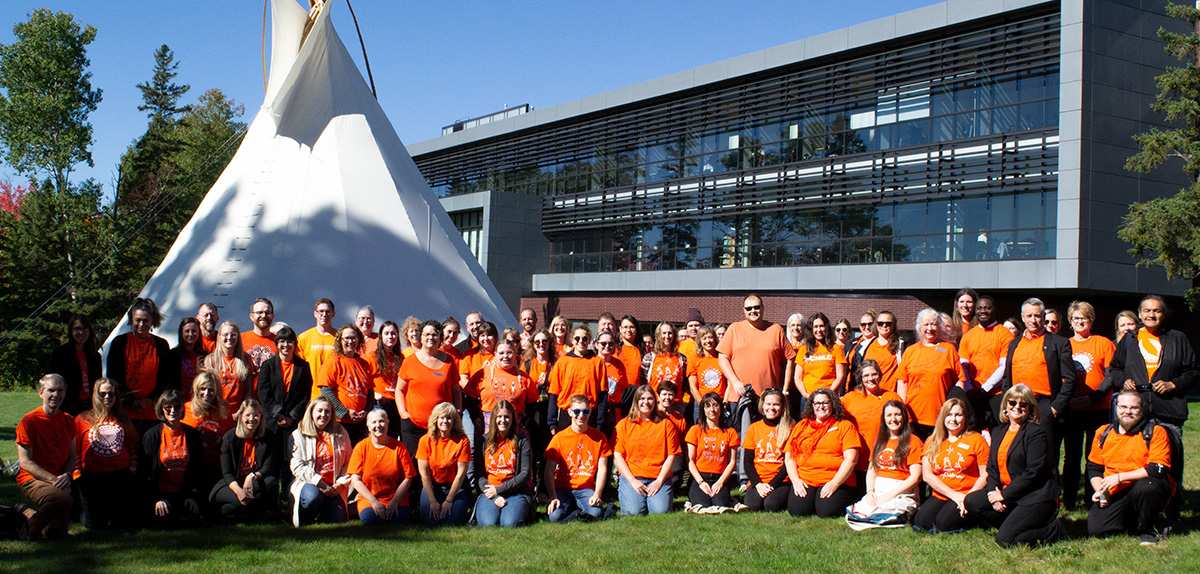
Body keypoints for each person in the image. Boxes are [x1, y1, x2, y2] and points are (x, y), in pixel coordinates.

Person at [1095, 295, 1196, 527]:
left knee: (1169, 465)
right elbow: (1115, 369)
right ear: (1139, 314)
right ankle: (1134, 508)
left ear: (1164, 313)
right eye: (1147, 311)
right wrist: (1125, 380)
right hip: (1135, 413)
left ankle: (1172, 512)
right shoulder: (1130, 340)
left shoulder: (1177, 339)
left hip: (1168, 411)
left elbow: (1193, 371)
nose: (1152, 315)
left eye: (1157, 311)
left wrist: (1174, 384)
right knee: (1132, 462)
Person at [964, 385, 1064, 547]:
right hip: (1009, 494)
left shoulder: (1036, 433)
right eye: (1012, 403)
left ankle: (1055, 529)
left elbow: (1033, 472)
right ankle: (1013, 524)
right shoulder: (998, 431)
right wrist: (992, 493)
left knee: (1005, 540)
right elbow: (992, 469)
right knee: (972, 501)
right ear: (1005, 406)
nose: (1016, 407)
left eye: (1023, 404)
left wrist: (1004, 495)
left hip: (1035, 496)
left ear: (1030, 409)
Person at [717, 294, 796, 485]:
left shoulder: (775, 329)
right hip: (742, 396)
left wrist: (785, 389)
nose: (753, 311)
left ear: (763, 307)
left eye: (756, 307)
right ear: (744, 311)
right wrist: (735, 381)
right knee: (746, 439)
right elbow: (722, 358)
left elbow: (790, 358)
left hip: (769, 399)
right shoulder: (735, 329)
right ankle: (745, 479)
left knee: (771, 440)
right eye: (748, 308)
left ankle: (774, 477)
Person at [1087, 390, 1172, 545]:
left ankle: (1148, 530)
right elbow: (1094, 467)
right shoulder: (1103, 433)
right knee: (1096, 530)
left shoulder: (1155, 432)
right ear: (1116, 407)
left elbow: (1158, 468)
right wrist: (1101, 491)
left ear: (1142, 409)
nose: (1128, 411)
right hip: (1116, 490)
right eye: (1123, 407)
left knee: (1148, 486)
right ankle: (1133, 521)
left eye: (1134, 408)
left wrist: (1120, 478)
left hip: (1145, 486)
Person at [1000, 298, 1076, 459]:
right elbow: (1007, 377)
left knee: (1046, 455)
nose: (1033, 320)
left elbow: (1070, 378)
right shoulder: (1014, 344)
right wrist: (1007, 404)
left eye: (1037, 316)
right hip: (1018, 405)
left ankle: (1049, 485)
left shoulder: (1059, 343)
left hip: (1044, 406)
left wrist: (1055, 408)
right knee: (1019, 453)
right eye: (1029, 316)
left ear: (1043, 316)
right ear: (1022, 317)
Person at [1061, 300, 1117, 509]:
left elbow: (1111, 376)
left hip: (1098, 409)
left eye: (1083, 318)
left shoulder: (1103, 343)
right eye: (1075, 318)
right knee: (1071, 457)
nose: (1079, 322)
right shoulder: (1064, 344)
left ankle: (1092, 497)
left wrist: (1092, 398)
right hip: (1072, 409)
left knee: (1093, 456)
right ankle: (1068, 500)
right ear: (1070, 321)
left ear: (1091, 320)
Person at [913, 397, 990, 534]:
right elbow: (927, 476)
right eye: (949, 415)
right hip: (943, 493)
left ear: (965, 418)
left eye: (958, 415)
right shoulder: (932, 441)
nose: (953, 419)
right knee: (921, 522)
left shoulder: (976, 439)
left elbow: (985, 474)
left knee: (944, 524)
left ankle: (975, 517)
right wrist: (954, 496)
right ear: (943, 417)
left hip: (967, 493)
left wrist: (968, 498)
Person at [15, 374, 77, 540]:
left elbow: (72, 457)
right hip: (31, 479)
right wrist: (55, 480)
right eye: (51, 390)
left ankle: (25, 512)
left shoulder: (69, 421)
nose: (56, 395)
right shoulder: (29, 421)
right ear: (41, 393)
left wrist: (67, 475)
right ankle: (29, 528)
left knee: (56, 534)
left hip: (57, 479)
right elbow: (25, 462)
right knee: (63, 499)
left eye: (60, 390)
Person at [785, 388, 860, 518]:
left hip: (835, 479)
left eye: (825, 403)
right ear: (812, 406)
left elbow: (851, 459)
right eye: (817, 403)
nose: (821, 407)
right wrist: (796, 481)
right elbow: (789, 457)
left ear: (833, 404)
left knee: (826, 511)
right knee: (798, 511)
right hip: (806, 479)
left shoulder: (845, 426)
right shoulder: (802, 426)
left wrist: (835, 483)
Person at [75, 378, 138, 529]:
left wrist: (132, 468)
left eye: (111, 394)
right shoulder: (83, 418)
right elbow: (75, 448)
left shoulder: (123, 418)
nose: (107, 397)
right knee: (95, 525)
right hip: (92, 475)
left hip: (119, 475)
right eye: (102, 394)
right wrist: (77, 473)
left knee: (121, 524)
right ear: (95, 396)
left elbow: (133, 445)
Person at [397, 320, 461, 462]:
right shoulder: (409, 361)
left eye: (434, 334)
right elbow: (399, 390)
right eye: (426, 334)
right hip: (414, 425)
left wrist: (457, 411)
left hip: (442, 426)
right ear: (420, 337)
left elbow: (456, 390)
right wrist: (403, 414)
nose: (430, 338)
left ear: (440, 338)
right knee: (412, 467)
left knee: (438, 465)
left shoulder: (449, 361)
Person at [847, 400, 921, 524]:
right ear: (884, 419)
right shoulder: (880, 441)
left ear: (904, 416)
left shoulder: (913, 441)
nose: (893, 419)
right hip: (879, 489)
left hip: (900, 490)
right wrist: (870, 491)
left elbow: (916, 477)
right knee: (861, 511)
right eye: (889, 415)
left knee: (887, 511)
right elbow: (872, 471)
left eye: (897, 414)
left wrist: (890, 495)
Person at [897, 309, 966, 439]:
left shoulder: (948, 349)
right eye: (926, 325)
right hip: (913, 417)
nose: (930, 328)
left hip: (942, 417)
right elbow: (902, 381)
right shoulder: (910, 351)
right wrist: (903, 409)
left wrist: (956, 410)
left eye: (933, 324)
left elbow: (959, 381)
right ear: (919, 328)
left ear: (939, 327)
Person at [613, 384, 681, 515]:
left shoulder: (666, 425)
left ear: (655, 401)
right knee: (633, 512)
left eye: (650, 399)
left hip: (657, 476)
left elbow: (671, 456)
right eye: (642, 398)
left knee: (660, 511)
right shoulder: (624, 425)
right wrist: (633, 481)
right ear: (636, 401)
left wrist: (660, 481)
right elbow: (618, 456)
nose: (646, 402)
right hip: (632, 476)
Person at [140, 390, 204, 529]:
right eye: (168, 407)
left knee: (190, 520)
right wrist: (156, 498)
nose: (173, 411)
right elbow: (145, 472)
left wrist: (192, 496)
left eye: (177, 407)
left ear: (182, 408)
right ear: (161, 409)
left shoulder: (192, 434)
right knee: (164, 521)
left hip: (184, 493)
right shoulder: (152, 436)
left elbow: (197, 470)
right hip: (161, 494)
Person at [544, 395, 612, 523]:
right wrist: (553, 496)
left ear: (590, 412)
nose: (581, 415)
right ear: (569, 412)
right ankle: (573, 508)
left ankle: (575, 508)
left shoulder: (599, 437)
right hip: (562, 487)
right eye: (576, 411)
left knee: (595, 514)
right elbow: (549, 470)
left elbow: (603, 469)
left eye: (585, 411)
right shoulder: (559, 438)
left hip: (586, 488)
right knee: (554, 516)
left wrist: (597, 494)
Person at [289, 396, 353, 527]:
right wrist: (321, 484)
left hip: (334, 485)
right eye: (319, 411)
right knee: (312, 497)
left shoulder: (341, 433)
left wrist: (340, 485)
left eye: (327, 411)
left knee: (337, 520)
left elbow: (349, 462)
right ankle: (305, 515)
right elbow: (297, 466)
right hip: (310, 483)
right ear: (311, 412)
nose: (323, 415)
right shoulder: (298, 434)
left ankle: (326, 509)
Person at [108, 298, 172, 427]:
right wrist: (131, 401)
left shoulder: (161, 345)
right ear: (131, 320)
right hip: (124, 410)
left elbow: (165, 378)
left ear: (152, 321)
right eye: (138, 320)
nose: (141, 324)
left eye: (145, 321)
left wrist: (149, 400)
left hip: (152, 411)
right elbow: (113, 375)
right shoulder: (119, 343)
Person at [210, 399, 277, 521]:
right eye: (247, 415)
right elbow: (227, 473)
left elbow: (268, 467)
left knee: (271, 482)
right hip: (231, 483)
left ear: (261, 417)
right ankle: (225, 512)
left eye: (256, 415)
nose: (252, 419)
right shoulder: (229, 438)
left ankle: (245, 512)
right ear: (241, 416)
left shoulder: (268, 436)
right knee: (239, 502)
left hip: (253, 483)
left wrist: (252, 476)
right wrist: (239, 491)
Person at [348, 408, 416, 525]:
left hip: (396, 498)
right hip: (369, 498)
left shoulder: (399, 447)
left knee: (398, 521)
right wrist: (374, 502)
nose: (378, 425)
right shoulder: (361, 447)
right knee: (372, 520)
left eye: (381, 421)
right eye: (374, 422)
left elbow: (408, 477)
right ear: (368, 426)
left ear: (388, 423)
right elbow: (355, 479)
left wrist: (394, 502)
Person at [842, 360, 902, 485]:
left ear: (880, 376)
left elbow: (904, 428)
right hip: (856, 460)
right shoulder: (850, 398)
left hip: (882, 458)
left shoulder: (891, 397)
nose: (871, 378)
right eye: (866, 375)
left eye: (874, 374)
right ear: (860, 378)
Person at [474, 400, 532, 527]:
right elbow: (479, 475)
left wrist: (499, 490)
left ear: (512, 419)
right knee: (488, 524)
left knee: (510, 523)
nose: (503, 420)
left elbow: (525, 474)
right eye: (499, 417)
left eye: (507, 417)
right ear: (494, 418)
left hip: (515, 492)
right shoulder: (483, 441)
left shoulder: (521, 441)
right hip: (489, 491)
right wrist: (494, 496)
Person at [958, 296, 1014, 427]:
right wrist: (970, 390)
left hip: (996, 394)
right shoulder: (968, 336)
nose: (983, 311)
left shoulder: (1004, 334)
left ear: (995, 309)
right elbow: (963, 367)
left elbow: (1004, 366)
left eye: (987, 308)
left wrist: (984, 389)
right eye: (979, 308)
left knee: (998, 432)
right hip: (973, 394)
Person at [316, 324, 375, 443]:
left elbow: (370, 392)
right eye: (346, 338)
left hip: (361, 422)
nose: (350, 341)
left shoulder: (364, 364)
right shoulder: (333, 362)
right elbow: (326, 391)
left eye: (353, 338)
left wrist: (366, 411)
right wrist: (344, 412)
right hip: (340, 422)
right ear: (340, 341)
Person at [416, 402, 471, 526]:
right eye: (442, 417)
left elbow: (461, 475)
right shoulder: (425, 440)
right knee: (430, 522)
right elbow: (424, 474)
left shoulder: (463, 441)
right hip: (433, 486)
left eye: (449, 418)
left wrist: (449, 500)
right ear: (436, 419)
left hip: (456, 487)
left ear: (454, 421)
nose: (445, 421)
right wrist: (432, 501)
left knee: (451, 522)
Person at [257, 326, 313, 446]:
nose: (286, 345)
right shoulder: (268, 365)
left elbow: (305, 394)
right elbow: (263, 393)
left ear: (294, 344)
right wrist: (277, 414)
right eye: (282, 341)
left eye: (290, 341)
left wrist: (292, 416)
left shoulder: (303, 366)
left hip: (294, 422)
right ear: (277, 344)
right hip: (271, 422)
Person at [684, 392, 741, 513]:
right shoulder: (695, 430)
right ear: (703, 409)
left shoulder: (730, 432)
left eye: (715, 405)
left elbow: (732, 462)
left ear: (721, 407)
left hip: (719, 477)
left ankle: (729, 498)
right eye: (708, 406)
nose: (712, 410)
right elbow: (690, 460)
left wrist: (720, 482)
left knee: (721, 503)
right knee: (702, 504)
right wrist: (701, 482)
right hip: (699, 477)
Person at [742, 388, 793, 512]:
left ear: (782, 407)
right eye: (768, 404)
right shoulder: (754, 428)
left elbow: (788, 463)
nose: (772, 408)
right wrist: (758, 484)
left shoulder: (790, 428)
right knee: (753, 505)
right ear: (762, 405)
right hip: (759, 479)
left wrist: (771, 486)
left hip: (780, 480)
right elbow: (747, 462)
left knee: (771, 505)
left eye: (776, 404)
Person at [548, 325, 607, 431]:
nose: (581, 341)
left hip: (588, 414)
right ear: (572, 340)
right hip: (567, 414)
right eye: (577, 338)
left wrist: (600, 423)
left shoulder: (597, 362)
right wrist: (552, 422)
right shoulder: (563, 362)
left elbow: (602, 394)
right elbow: (554, 393)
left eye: (585, 338)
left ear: (589, 340)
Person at [181, 371, 234, 490]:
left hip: (217, 468)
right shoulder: (186, 409)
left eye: (211, 390)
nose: (206, 393)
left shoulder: (224, 411)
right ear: (196, 390)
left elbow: (231, 441)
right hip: (193, 469)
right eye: (202, 389)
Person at [471, 341, 537, 426]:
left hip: (516, 424)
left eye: (509, 353)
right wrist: (475, 417)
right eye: (501, 353)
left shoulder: (524, 378)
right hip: (488, 423)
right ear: (495, 354)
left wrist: (526, 422)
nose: (505, 356)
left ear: (515, 354)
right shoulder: (482, 374)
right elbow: (469, 398)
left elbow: (533, 403)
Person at [792, 313, 848, 412]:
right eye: (815, 327)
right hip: (808, 398)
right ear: (811, 329)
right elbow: (797, 378)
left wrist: (828, 394)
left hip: (829, 399)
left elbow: (840, 376)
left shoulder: (836, 348)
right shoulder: (804, 349)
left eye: (821, 326)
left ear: (826, 328)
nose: (819, 330)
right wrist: (805, 394)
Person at [48, 313, 102, 416]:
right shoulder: (60, 354)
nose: (81, 332)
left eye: (84, 329)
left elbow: (98, 383)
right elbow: (52, 381)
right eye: (77, 329)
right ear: (71, 331)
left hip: (90, 406)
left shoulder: (95, 356)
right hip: (67, 406)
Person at [202, 321, 256, 413]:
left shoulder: (245, 359)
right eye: (225, 335)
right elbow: (207, 390)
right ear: (219, 337)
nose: (229, 338)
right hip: (217, 412)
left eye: (233, 335)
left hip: (239, 412)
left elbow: (249, 391)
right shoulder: (210, 360)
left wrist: (241, 412)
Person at [366, 320, 404, 437]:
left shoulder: (401, 357)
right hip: (379, 404)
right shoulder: (372, 357)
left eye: (393, 333)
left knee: (393, 438)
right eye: (386, 333)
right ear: (381, 337)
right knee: (379, 437)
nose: (390, 336)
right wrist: (375, 394)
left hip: (396, 404)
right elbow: (364, 382)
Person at [297, 298, 337, 400]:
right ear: (315, 314)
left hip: (335, 396)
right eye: (321, 311)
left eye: (328, 311)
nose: (324, 315)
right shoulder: (304, 338)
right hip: (310, 395)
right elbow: (297, 369)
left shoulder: (340, 338)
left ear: (333, 314)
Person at [640, 321, 687, 406]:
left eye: (670, 333)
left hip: (676, 403)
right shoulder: (649, 358)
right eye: (664, 333)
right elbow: (643, 381)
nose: (667, 336)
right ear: (658, 335)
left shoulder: (682, 359)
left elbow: (684, 383)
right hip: (655, 403)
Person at [687, 326, 728, 419]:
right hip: (701, 403)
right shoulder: (694, 359)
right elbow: (693, 387)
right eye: (704, 338)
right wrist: (703, 406)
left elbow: (729, 382)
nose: (708, 341)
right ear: (700, 341)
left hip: (720, 402)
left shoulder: (722, 357)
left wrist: (724, 402)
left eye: (710, 337)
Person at [858, 310, 902, 393]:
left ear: (893, 325)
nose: (884, 325)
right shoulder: (864, 346)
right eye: (880, 323)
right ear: (876, 325)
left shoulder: (901, 346)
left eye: (888, 323)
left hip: (890, 394)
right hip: (869, 394)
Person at [596, 330, 629, 431]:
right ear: (597, 345)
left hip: (615, 412)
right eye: (603, 343)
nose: (607, 346)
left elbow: (624, 388)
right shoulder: (591, 363)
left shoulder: (618, 364)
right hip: (597, 410)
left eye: (610, 344)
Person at [168, 317, 206, 402]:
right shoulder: (172, 355)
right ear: (181, 333)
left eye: (194, 331)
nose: (191, 334)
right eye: (187, 331)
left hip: (199, 401)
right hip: (178, 402)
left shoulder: (204, 356)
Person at [242, 298, 278, 369]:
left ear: (272, 316)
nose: (264, 316)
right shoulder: (240, 339)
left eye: (267, 313)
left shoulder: (279, 342)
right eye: (259, 312)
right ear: (251, 316)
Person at [616, 314, 644, 389]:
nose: (628, 330)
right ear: (620, 329)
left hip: (637, 393)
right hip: (619, 393)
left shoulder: (643, 350)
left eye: (632, 327)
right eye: (625, 327)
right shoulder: (614, 349)